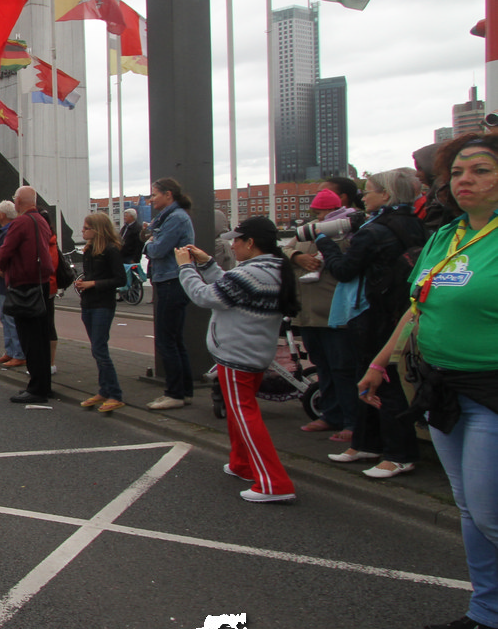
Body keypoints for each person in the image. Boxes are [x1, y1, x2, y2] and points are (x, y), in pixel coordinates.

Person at [360, 134, 498, 629]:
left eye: (481, 170)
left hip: (491, 391)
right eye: (457, 172)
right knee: (470, 510)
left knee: (488, 511)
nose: (465, 180)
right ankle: (487, 614)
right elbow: (418, 308)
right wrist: (380, 362)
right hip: (442, 387)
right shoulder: (446, 237)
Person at [176, 217, 300, 502]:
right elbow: (230, 289)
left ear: (250, 243)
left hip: (236, 354)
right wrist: (207, 264)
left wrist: (185, 267)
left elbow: (204, 296)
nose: (233, 246)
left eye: (236, 240)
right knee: (239, 413)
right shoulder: (273, 268)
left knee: (245, 415)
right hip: (255, 351)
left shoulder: (251, 273)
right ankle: (241, 463)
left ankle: (274, 483)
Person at [315, 169, 427, 475]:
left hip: (373, 310)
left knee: (381, 379)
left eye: (369, 190)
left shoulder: (374, 231)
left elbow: (345, 270)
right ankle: (368, 443)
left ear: (386, 195)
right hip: (402, 307)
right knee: (373, 376)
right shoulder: (416, 224)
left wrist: (325, 243)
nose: (364, 196)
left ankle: (399, 453)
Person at [286, 186, 359, 446]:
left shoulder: (349, 231)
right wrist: (298, 257)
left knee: (343, 369)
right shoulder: (307, 231)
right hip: (308, 314)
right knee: (323, 367)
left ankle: (352, 422)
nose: (319, 218)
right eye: (316, 213)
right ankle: (330, 414)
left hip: (334, 314)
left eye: (323, 212)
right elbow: (284, 249)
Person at [0, 186, 59, 403]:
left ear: (18, 201)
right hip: (42, 283)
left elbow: (4, 251)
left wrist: (0, 267)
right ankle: (43, 385)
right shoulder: (41, 220)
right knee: (41, 336)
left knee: (29, 338)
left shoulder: (20, 223)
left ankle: (37, 388)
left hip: (23, 285)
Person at [144, 177, 197, 410]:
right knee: (175, 340)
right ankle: (184, 391)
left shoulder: (175, 218)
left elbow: (157, 249)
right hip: (172, 280)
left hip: (170, 281)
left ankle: (174, 393)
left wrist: (148, 243)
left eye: (154, 194)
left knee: (166, 340)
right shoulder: (172, 217)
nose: (151, 199)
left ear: (168, 195)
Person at [75, 212, 127, 414]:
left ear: (97, 230)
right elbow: (91, 275)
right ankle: (104, 390)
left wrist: (93, 283)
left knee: (100, 348)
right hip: (88, 303)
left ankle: (115, 394)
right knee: (96, 348)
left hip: (103, 304)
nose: (82, 231)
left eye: (86, 228)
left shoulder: (111, 250)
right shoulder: (89, 251)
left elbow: (120, 280)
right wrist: (83, 283)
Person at [0, 201, 26, 368]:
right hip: (2, 280)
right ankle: (10, 351)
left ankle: (18, 353)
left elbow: (3, 255)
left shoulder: (8, 232)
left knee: (10, 318)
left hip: (6, 280)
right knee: (5, 317)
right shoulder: (6, 231)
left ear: (3, 214)